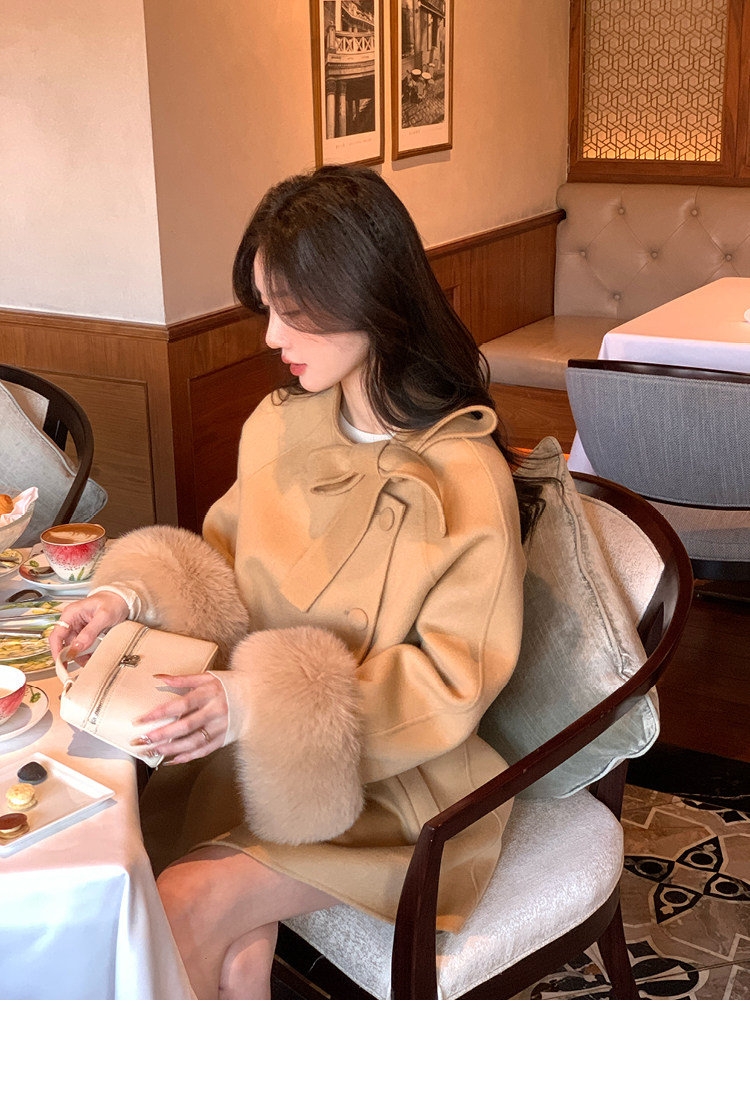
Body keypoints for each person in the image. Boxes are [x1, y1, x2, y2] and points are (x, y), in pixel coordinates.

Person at [50, 164, 540, 1000]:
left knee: (180, 904)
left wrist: (257, 704)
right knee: (231, 948)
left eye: (292, 308)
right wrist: (124, 597)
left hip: (395, 788)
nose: (272, 335)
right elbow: (220, 559)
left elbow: (451, 683)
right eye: (265, 307)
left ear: (367, 295)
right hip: (250, 758)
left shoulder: (464, 476)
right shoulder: (279, 425)